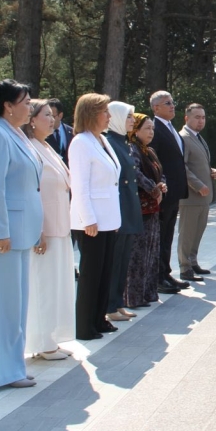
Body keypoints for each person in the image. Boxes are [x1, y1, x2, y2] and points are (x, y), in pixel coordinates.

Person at [0, 80, 43, 389]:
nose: (30, 107)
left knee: (15, 306)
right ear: (8, 106)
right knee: (0, 307)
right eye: (25, 102)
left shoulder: (16, 133)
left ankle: (13, 366)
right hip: (2, 237)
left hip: (20, 232)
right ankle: (0, 372)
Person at [23, 99, 75, 360]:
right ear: (32, 120)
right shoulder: (29, 148)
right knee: (43, 286)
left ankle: (51, 337)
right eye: (46, 115)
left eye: (52, 115)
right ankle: (42, 342)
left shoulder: (46, 146)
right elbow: (31, 191)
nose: (52, 119)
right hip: (45, 229)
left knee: (56, 286)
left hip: (60, 226)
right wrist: (37, 229)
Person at [69, 93, 122, 340]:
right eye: (104, 112)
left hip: (107, 219)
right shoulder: (81, 142)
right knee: (91, 275)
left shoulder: (101, 140)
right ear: (91, 114)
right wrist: (88, 218)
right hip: (91, 222)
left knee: (104, 272)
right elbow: (79, 185)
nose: (109, 116)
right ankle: (84, 326)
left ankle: (99, 319)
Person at [104, 101, 143, 323]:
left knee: (123, 259)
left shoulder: (122, 141)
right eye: (128, 116)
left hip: (128, 207)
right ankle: (110, 306)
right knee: (115, 260)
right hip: (119, 208)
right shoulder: (110, 142)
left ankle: (118, 303)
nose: (132, 120)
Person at [149, 90, 189, 294]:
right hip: (163, 193)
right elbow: (153, 161)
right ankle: (157, 278)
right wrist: (159, 186)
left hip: (174, 192)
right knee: (161, 235)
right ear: (156, 108)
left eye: (173, 102)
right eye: (167, 103)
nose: (173, 106)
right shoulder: (154, 128)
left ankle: (165, 273)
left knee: (168, 236)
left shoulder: (170, 127)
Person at [124, 113, 166, 308]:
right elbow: (135, 173)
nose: (151, 132)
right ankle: (134, 296)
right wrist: (153, 188)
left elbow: (160, 172)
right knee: (138, 255)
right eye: (147, 128)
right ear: (136, 130)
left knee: (151, 251)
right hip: (140, 208)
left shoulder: (149, 151)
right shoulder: (132, 149)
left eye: (152, 129)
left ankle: (148, 293)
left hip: (153, 208)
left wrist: (162, 185)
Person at [178, 103, 216, 281]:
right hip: (191, 197)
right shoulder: (183, 138)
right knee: (187, 234)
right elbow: (182, 167)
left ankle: (192, 262)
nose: (201, 121)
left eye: (203, 117)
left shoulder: (198, 137)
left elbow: (198, 163)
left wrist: (211, 171)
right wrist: (198, 185)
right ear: (186, 118)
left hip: (203, 198)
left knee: (197, 232)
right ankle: (184, 267)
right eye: (197, 117)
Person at [44, 98, 73, 164]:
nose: (50, 119)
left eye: (52, 116)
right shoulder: (42, 133)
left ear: (60, 115)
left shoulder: (72, 132)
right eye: (47, 115)